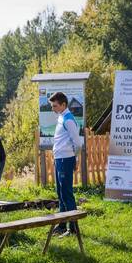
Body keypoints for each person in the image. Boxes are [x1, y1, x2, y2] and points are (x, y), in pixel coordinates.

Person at [49, 92, 82, 237]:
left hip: (66, 160)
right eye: (52, 106)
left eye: (55, 106)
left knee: (67, 193)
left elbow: (78, 143)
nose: (53, 108)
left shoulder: (68, 119)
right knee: (60, 193)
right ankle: (62, 225)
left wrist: (75, 158)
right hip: (59, 159)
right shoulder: (61, 117)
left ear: (63, 104)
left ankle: (73, 228)